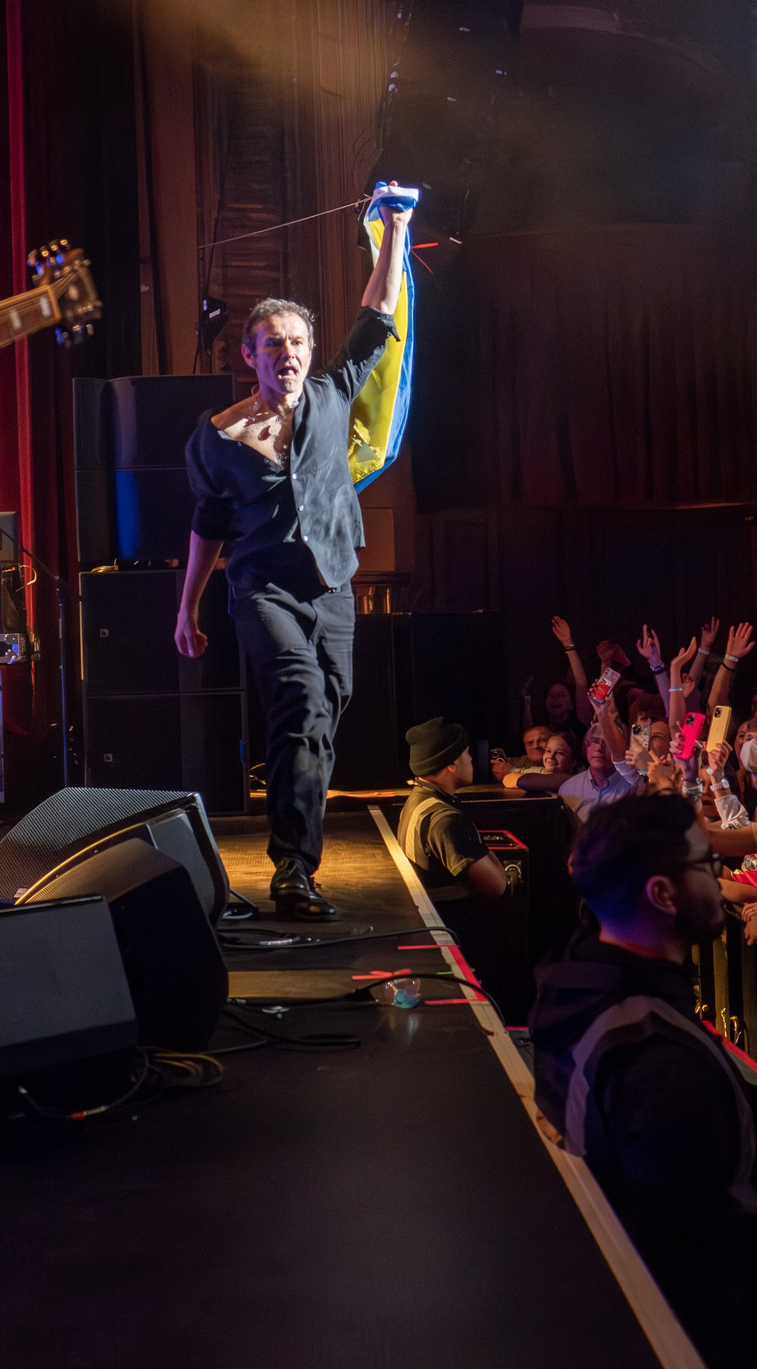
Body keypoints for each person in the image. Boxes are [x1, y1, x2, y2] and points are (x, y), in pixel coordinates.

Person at [176, 188, 413, 918]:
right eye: (273, 343)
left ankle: (296, 854)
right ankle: (293, 869)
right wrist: (186, 607)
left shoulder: (335, 393)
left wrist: (398, 227)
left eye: (298, 342)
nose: (288, 353)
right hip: (263, 592)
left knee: (323, 713)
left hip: (333, 584)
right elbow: (208, 525)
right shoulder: (217, 438)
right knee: (299, 700)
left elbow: (378, 316)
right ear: (248, 353)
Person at [532, 793, 757, 1366]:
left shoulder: (576, 980)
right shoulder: (661, 1061)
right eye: (706, 864)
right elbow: (692, 1253)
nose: (721, 876)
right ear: (662, 893)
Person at [399, 718, 509, 904]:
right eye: (466, 753)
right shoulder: (446, 821)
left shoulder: (417, 801)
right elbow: (496, 887)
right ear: (451, 764)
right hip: (455, 926)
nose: (472, 759)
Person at [560, 727, 642, 816]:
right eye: (595, 740)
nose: (599, 747)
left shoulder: (634, 787)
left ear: (620, 749)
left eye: (608, 742)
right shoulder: (568, 789)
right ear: (585, 746)